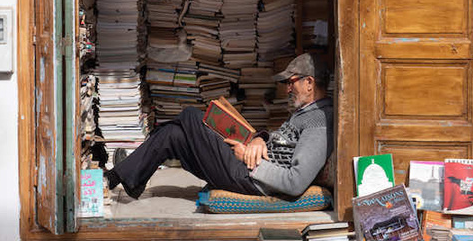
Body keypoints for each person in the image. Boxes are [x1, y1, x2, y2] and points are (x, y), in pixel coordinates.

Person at [106, 53, 333, 199]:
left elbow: (295, 182)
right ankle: (119, 178)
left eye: (290, 82)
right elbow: (282, 144)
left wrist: (248, 159)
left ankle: (125, 171)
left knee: (191, 116)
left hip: (251, 179)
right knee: (173, 135)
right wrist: (259, 139)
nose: (287, 89)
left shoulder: (318, 121)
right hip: (248, 168)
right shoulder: (305, 113)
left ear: (309, 83)